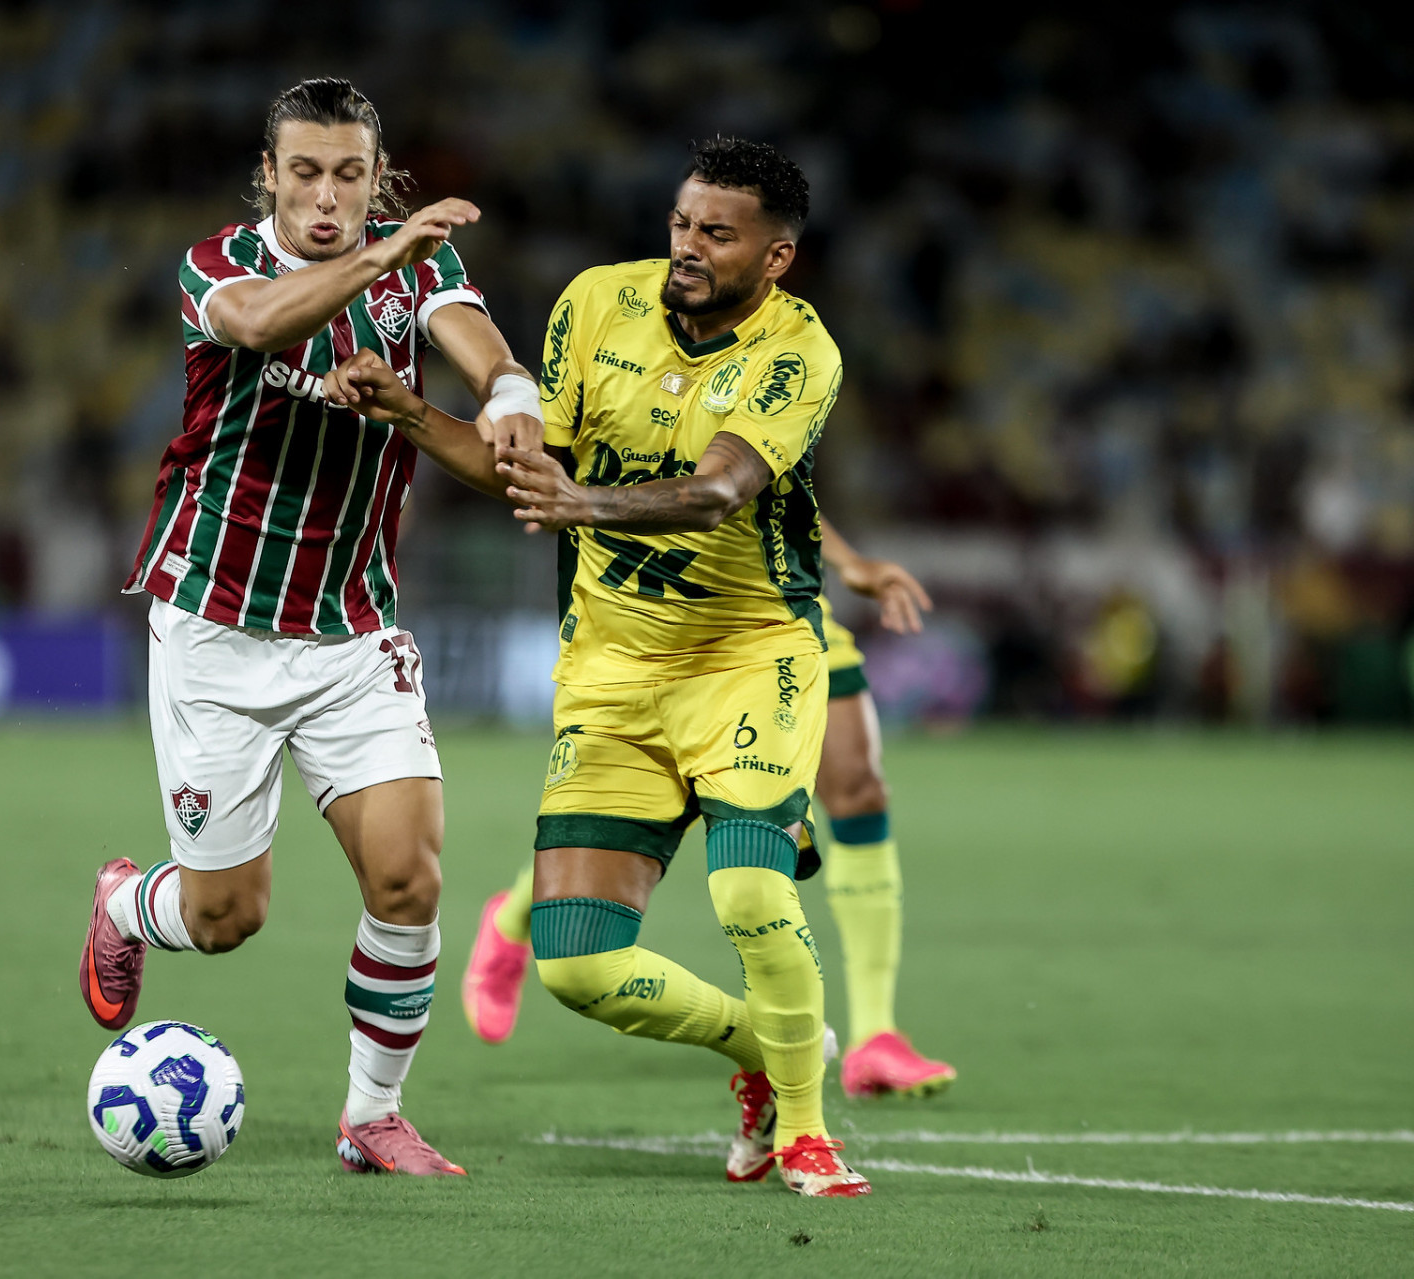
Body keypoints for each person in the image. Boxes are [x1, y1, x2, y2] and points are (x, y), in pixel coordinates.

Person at [325, 138, 869, 1196]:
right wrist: (412, 414)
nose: (688, 247)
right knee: (576, 961)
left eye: (718, 233)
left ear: (777, 258)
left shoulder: (800, 353)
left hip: (748, 655)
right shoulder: (595, 305)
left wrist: (583, 505)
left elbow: (716, 491)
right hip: (612, 671)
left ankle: (804, 1132)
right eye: (681, 223)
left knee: (753, 887)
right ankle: (767, 1049)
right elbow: (528, 468)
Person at [76, 78, 542, 1179]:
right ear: (269, 176)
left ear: (377, 178)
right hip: (219, 628)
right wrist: (383, 258)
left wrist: (512, 393)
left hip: (350, 631)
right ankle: (128, 904)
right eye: (305, 172)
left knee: (408, 877)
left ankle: (370, 1114)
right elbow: (258, 323)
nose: (327, 195)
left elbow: (476, 348)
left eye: (349, 174)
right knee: (228, 915)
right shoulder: (216, 269)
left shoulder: (423, 265)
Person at [462, 525, 957, 1100]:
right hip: (658, 612)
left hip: (772, 606)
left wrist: (847, 563)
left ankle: (874, 1035)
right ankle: (518, 913)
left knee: (860, 788)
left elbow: (769, 471)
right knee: (686, 804)